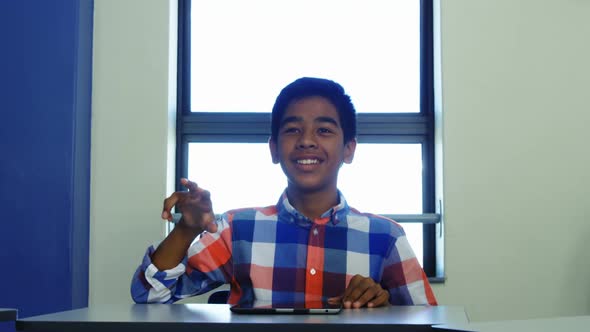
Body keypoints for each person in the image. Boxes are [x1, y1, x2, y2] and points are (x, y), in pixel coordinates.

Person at [130, 77, 437, 308]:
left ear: (349, 149)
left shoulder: (386, 238)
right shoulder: (236, 229)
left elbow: (429, 321)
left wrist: (383, 306)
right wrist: (186, 229)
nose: (306, 141)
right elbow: (151, 295)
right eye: (292, 130)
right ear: (274, 149)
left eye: (324, 130)